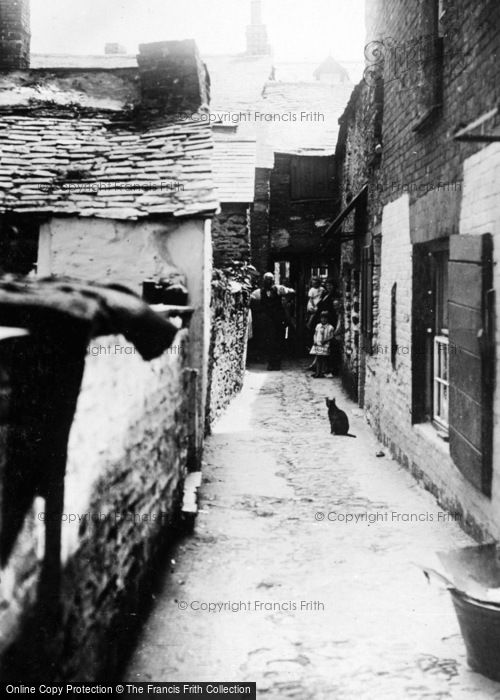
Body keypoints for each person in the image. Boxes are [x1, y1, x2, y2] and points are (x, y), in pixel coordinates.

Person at [250, 273, 294, 370]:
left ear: (273, 280)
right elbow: (252, 298)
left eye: (270, 280)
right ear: (263, 280)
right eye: (266, 279)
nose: (268, 282)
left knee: (279, 341)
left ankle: (277, 363)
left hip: (278, 321)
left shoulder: (278, 289)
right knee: (268, 342)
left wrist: (286, 297)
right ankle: (270, 363)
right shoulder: (259, 292)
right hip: (267, 322)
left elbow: (291, 292)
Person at [309, 311, 335, 378]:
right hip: (318, 343)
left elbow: (331, 336)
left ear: (328, 319)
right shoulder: (318, 326)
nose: (323, 320)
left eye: (325, 318)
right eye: (322, 318)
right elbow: (315, 334)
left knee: (324, 359)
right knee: (318, 358)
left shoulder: (330, 327)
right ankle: (317, 373)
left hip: (325, 345)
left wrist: (326, 340)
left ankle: (322, 372)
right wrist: (314, 340)